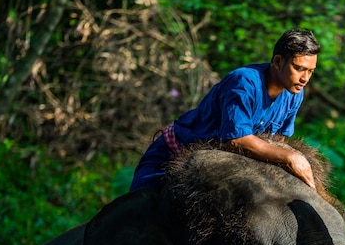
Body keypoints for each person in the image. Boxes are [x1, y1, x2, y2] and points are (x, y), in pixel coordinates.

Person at [130, 28, 320, 192]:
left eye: (310, 71)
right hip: (173, 155)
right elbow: (236, 140)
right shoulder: (244, 82)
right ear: (278, 62)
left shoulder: (294, 93)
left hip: (219, 165)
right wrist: (291, 156)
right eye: (299, 68)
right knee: (140, 215)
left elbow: (277, 140)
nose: (305, 78)